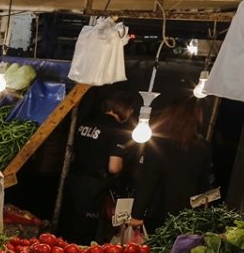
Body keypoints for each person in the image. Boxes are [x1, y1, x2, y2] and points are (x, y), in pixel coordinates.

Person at [60, 93, 139, 244]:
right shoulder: (118, 131)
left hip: (72, 180)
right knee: (82, 235)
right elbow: (114, 167)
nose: (130, 114)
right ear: (124, 108)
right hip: (92, 188)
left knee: (67, 227)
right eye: (130, 110)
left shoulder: (86, 123)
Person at [128, 97, 213, 234]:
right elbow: (204, 184)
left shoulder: (158, 143)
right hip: (187, 214)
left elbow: (149, 180)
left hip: (158, 212)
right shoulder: (203, 146)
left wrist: (137, 214)